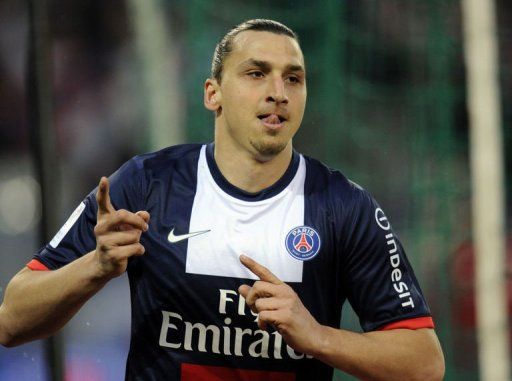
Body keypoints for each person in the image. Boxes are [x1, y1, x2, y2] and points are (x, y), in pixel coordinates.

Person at [0, 19, 444, 381]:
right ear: (213, 93)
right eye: (256, 73)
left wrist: (317, 337)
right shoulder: (147, 183)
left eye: (294, 78)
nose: (278, 91)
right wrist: (94, 267)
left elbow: (424, 363)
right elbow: (12, 320)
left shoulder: (344, 207)